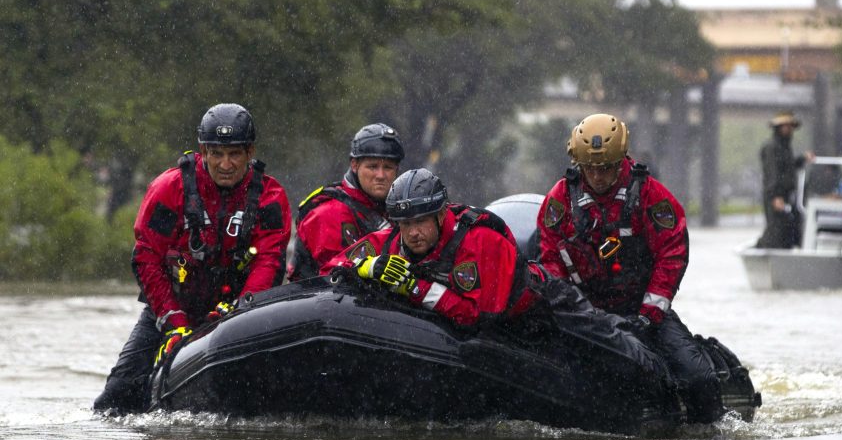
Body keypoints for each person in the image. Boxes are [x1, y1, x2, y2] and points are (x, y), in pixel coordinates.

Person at [93, 103, 292, 414]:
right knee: (117, 397)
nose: (226, 164)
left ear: (250, 152)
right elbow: (147, 257)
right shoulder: (169, 188)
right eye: (217, 153)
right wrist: (174, 321)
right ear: (203, 151)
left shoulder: (270, 196)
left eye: (235, 154)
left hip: (237, 314)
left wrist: (242, 310)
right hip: (170, 307)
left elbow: (270, 262)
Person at [536, 113, 724, 423]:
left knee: (697, 378)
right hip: (585, 315)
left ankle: (708, 428)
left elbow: (672, 254)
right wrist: (576, 315)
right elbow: (551, 261)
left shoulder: (650, 196)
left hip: (643, 312)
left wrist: (647, 317)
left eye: (606, 168)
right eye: (591, 168)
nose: (597, 176)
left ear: (621, 160)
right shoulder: (559, 201)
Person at [322, 168, 538, 326]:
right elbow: (328, 271)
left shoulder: (480, 240)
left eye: (421, 221)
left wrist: (414, 287)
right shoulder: (390, 240)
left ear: (442, 214)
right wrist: (367, 266)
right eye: (405, 223)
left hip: (528, 322)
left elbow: (478, 317)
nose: (413, 232)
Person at [288, 123, 403, 281]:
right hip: (320, 301)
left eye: (388, 167)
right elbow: (333, 282)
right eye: (373, 166)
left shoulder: (395, 209)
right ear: (354, 165)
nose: (381, 175)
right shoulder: (329, 213)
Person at [756, 110, 815, 249]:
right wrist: (775, 196)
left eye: (790, 126)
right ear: (778, 128)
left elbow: (788, 166)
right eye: (785, 126)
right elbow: (772, 173)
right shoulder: (771, 147)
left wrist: (802, 159)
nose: (788, 129)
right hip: (776, 196)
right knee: (776, 230)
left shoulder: (784, 146)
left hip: (788, 196)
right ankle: (762, 253)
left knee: (789, 230)